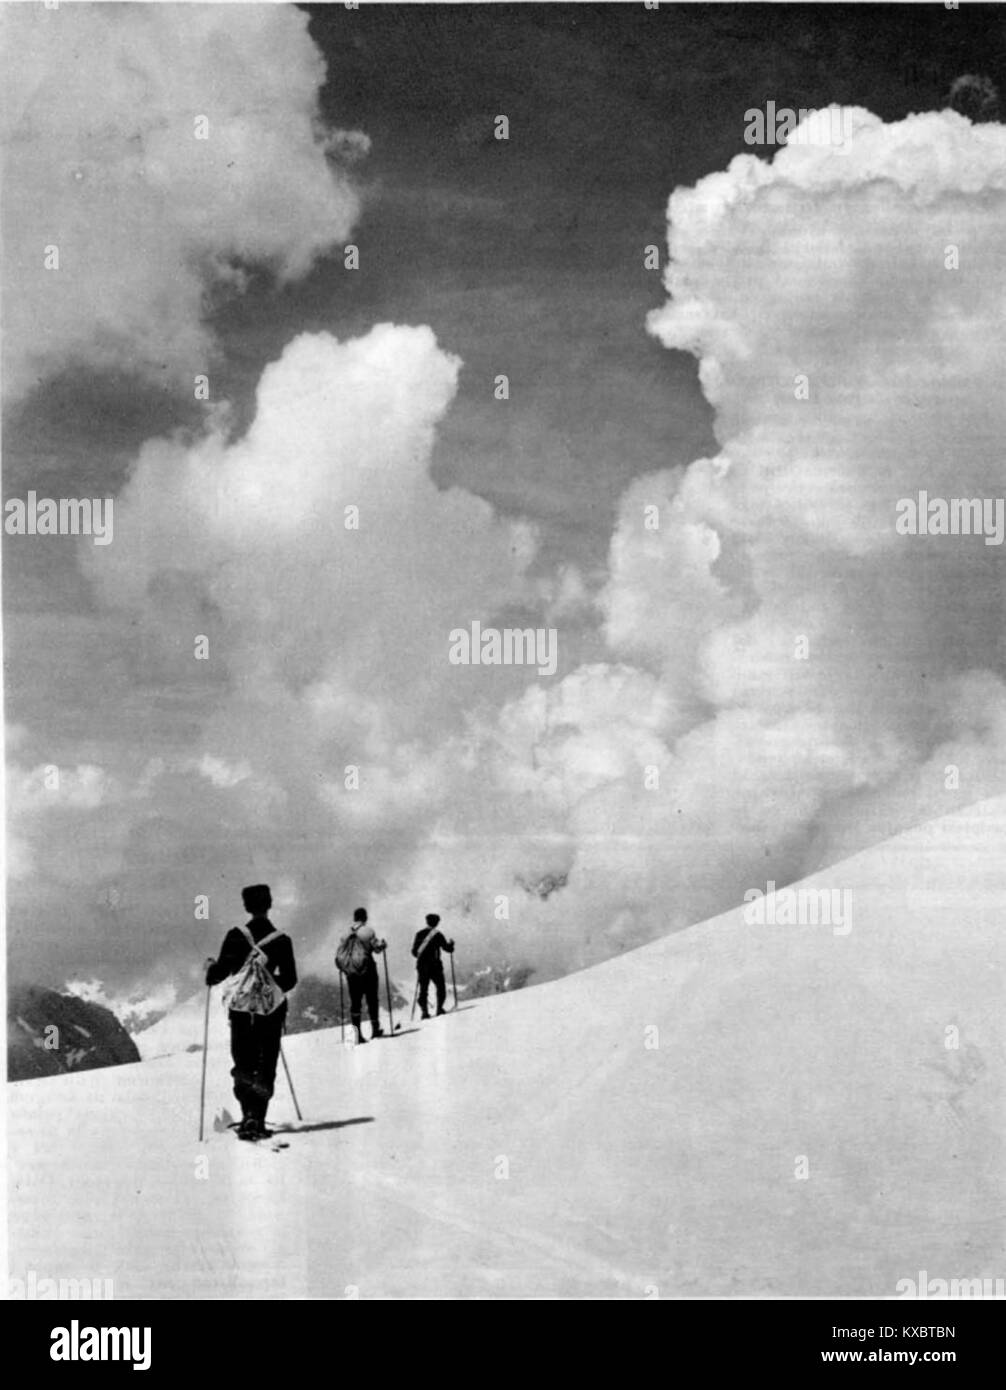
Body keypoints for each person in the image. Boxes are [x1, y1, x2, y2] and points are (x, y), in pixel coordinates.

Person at [205, 884, 297, 1141]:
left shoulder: (235, 936)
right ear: (269, 904)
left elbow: (219, 973)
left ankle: (247, 1115)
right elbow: (289, 979)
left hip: (241, 1010)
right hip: (271, 1011)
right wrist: (267, 982)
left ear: (246, 906)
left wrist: (211, 968)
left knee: (243, 1061)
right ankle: (258, 1115)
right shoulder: (282, 940)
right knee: (266, 1063)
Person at [336, 907, 386, 1044]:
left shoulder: (345, 933)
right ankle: (375, 1029)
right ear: (365, 917)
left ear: (354, 917)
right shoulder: (368, 931)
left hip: (351, 972)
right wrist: (382, 945)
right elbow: (376, 949)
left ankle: (357, 1034)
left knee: (355, 1002)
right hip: (367, 969)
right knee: (372, 999)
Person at [411, 913, 454, 1019]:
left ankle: (424, 1012)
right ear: (436, 922)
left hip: (422, 965)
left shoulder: (419, 934)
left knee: (423, 989)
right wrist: (451, 945)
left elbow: (414, 952)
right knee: (440, 987)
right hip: (435, 965)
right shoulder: (438, 934)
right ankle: (439, 1009)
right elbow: (447, 948)